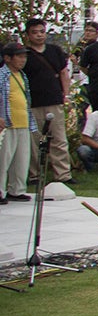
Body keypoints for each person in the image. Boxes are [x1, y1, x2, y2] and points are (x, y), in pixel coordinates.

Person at [0, 41, 34, 202]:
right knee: (3, 158)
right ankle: (0, 191)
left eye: (24, 57)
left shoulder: (22, 75)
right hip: (7, 122)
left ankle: (16, 189)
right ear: (7, 58)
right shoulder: (2, 75)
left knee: (21, 158)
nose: (23, 60)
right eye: (19, 56)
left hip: (23, 122)